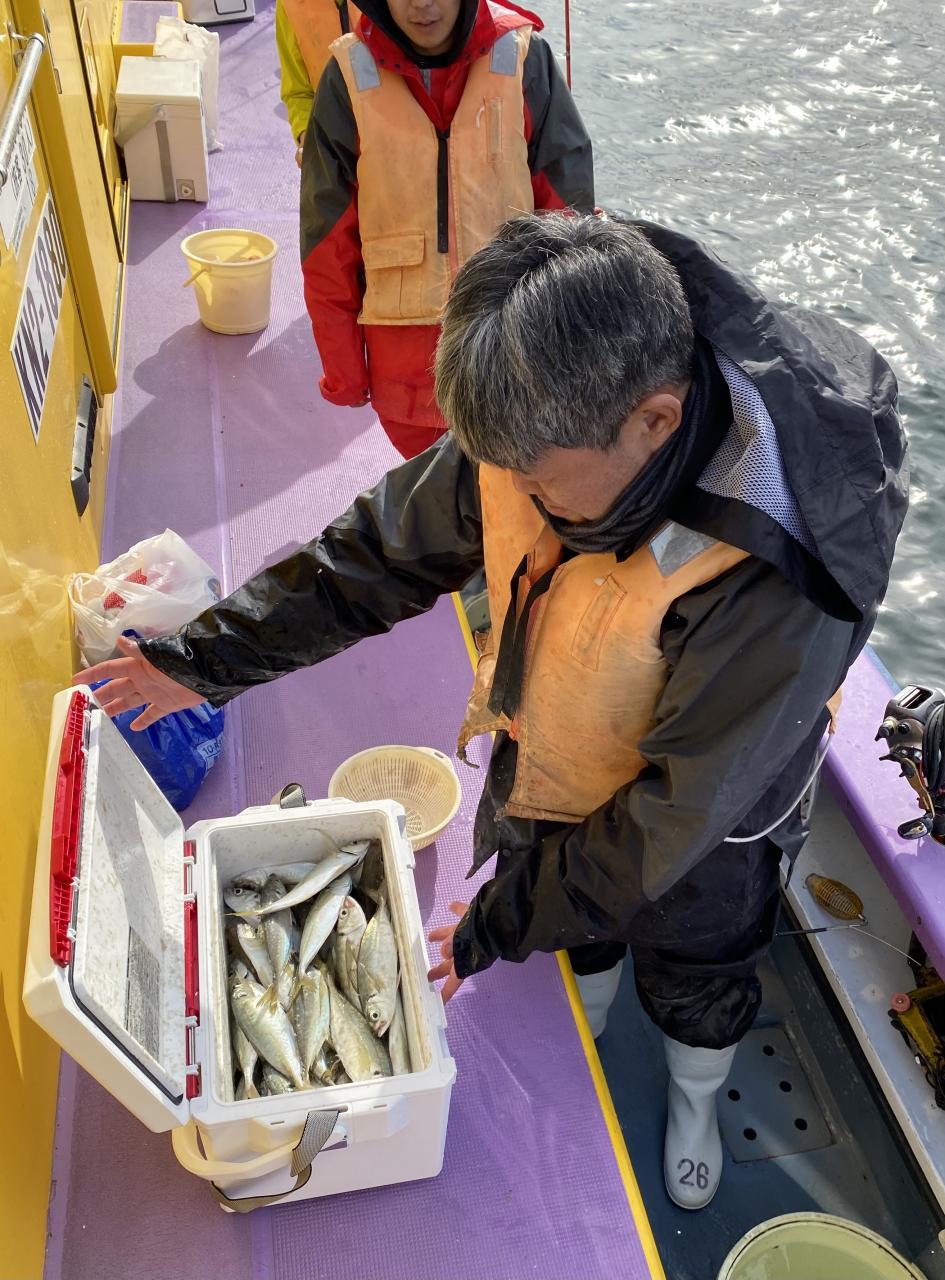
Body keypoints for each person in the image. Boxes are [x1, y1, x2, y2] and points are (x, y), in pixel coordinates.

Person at [80, 213, 908, 1211]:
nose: (509, 494)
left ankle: (697, 1090)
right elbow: (378, 551)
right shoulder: (547, 400)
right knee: (579, 932)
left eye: (537, 481)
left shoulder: (779, 572)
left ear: (654, 420)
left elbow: (670, 816)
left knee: (696, 965)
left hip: (711, 822)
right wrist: (202, 659)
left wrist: (494, 924)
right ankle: (585, 1002)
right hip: (559, 749)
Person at [299, 0, 594, 459]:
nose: (422, 4)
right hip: (406, 381)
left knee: (514, 494)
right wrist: (345, 370)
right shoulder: (347, 74)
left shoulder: (525, 57)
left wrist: (571, 355)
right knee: (438, 495)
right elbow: (327, 242)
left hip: (516, 359)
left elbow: (568, 222)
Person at [276, 0, 360, 166]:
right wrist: (307, 136)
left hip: (391, 138)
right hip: (334, 148)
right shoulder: (288, 5)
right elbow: (297, 92)